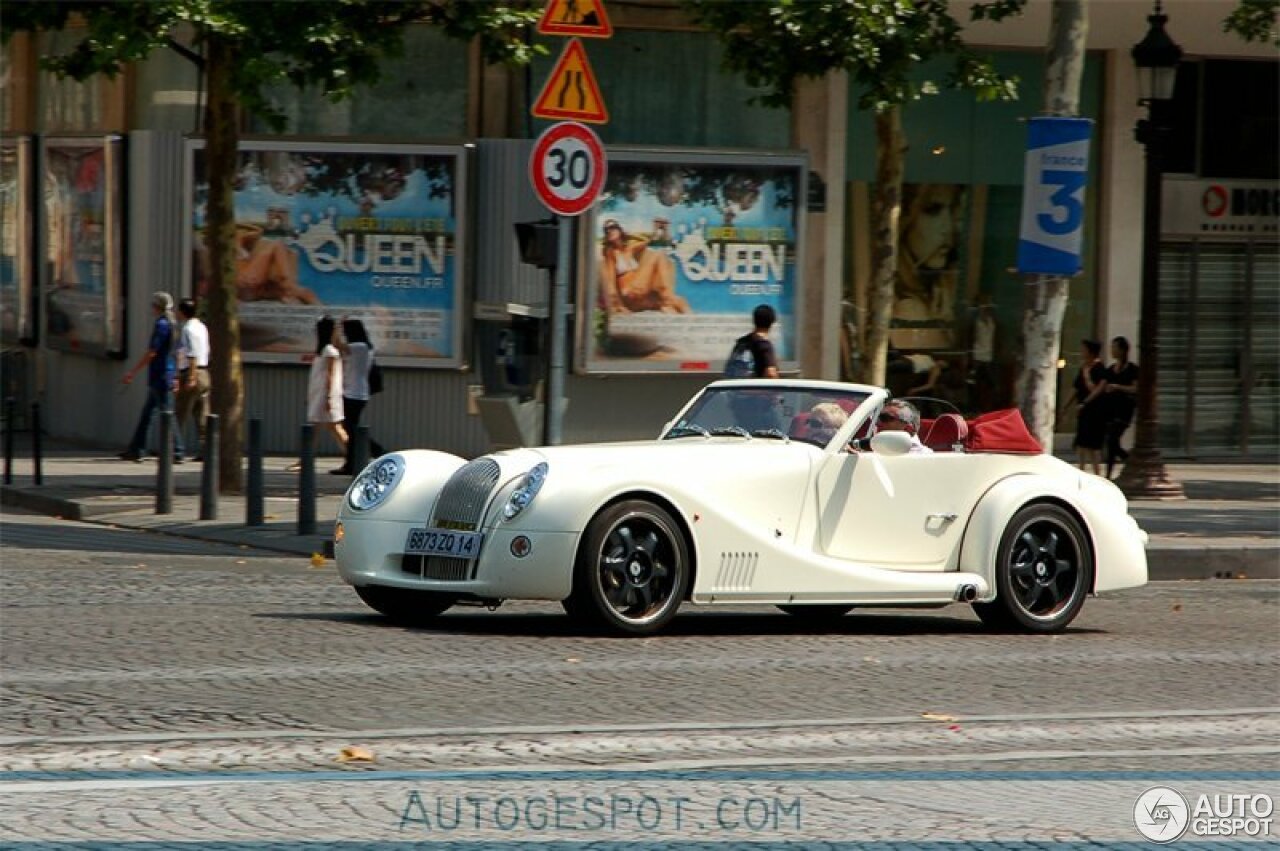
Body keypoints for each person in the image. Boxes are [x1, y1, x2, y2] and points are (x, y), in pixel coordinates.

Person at [891, 183, 965, 351]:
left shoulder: (944, 292)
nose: (948, 228)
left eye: (952, 211)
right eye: (933, 210)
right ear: (905, 219)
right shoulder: (903, 304)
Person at [119, 292, 184, 463]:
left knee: (166, 413)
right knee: (148, 413)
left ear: (157, 307)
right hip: (167, 373)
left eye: (152, 305)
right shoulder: (174, 325)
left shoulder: (162, 325)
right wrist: (176, 375)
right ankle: (137, 449)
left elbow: (152, 352)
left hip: (160, 375)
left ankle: (177, 450)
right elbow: (178, 352)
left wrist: (133, 371)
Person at [598, 219, 690, 314]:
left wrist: (658, 230)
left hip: (642, 292)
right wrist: (617, 305)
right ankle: (667, 299)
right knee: (656, 255)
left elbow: (649, 242)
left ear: (619, 230)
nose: (609, 231)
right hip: (629, 292)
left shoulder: (630, 248)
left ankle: (668, 300)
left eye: (612, 228)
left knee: (681, 302)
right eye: (606, 230)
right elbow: (610, 282)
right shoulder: (610, 253)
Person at [333, 318, 386, 476]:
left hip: (355, 394)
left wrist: (335, 328)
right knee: (351, 429)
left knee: (352, 430)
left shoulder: (360, 347)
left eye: (346, 331)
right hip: (353, 393)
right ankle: (351, 463)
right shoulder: (362, 347)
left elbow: (336, 344)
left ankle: (378, 452)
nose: (344, 334)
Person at [1063, 338, 1109, 475]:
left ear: (1091, 351)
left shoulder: (1100, 369)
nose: (1081, 352)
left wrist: (1085, 402)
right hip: (1083, 411)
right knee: (1082, 443)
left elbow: (1098, 389)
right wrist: (1065, 405)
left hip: (1096, 411)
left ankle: (1097, 474)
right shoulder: (1083, 368)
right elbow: (1075, 388)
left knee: (1094, 446)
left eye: (1084, 349)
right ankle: (1081, 470)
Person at [174, 298, 210, 462]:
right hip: (204, 372)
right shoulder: (202, 327)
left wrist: (191, 377)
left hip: (191, 372)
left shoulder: (188, 329)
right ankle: (206, 449)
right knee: (202, 414)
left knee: (180, 412)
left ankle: (176, 450)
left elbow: (192, 353)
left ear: (182, 312)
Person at [307, 316, 348, 458]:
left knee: (333, 426)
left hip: (326, 395)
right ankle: (305, 459)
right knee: (325, 427)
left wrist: (329, 398)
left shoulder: (330, 351)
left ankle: (353, 456)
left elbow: (331, 375)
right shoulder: (324, 350)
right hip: (320, 393)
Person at [1103, 335, 1139, 479]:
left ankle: (1129, 461)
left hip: (1125, 409)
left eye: (1115, 347)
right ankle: (1109, 473)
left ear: (1123, 350)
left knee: (1113, 439)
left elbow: (1135, 389)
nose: (1112, 350)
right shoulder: (1111, 369)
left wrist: (1117, 387)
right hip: (1111, 408)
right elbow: (1104, 385)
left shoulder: (1132, 369)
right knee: (1111, 442)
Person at [728, 304, 781, 379]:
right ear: (771, 322)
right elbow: (771, 373)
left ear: (754, 320)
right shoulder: (764, 345)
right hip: (755, 389)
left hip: (737, 388)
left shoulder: (742, 342)